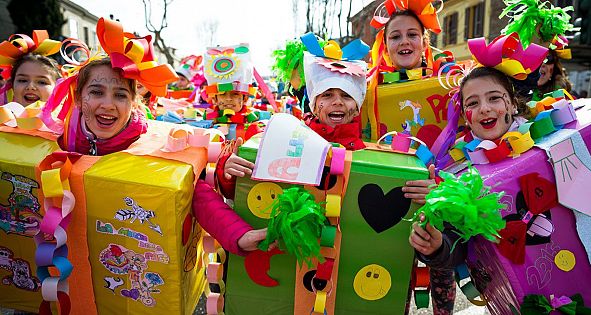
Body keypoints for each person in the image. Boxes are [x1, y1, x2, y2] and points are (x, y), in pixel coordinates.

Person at [42, 18, 268, 257]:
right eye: (97, 92)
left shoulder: (152, 143)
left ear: (134, 103)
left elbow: (195, 191)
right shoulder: (62, 136)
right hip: (72, 260)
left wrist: (238, 235)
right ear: (78, 97)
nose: (108, 104)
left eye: (120, 95)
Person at [409, 67, 532, 314]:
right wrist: (436, 248)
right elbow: (460, 244)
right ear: (466, 115)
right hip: (511, 297)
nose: (484, 108)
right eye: (473, 103)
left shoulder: (545, 142)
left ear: (512, 105)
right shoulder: (460, 174)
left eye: (494, 98)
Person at [0, 30, 61, 106]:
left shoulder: (72, 117)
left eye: (42, 82)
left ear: (57, 88)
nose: (30, 87)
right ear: (12, 85)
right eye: (22, 80)